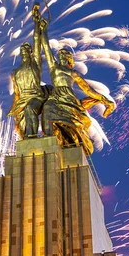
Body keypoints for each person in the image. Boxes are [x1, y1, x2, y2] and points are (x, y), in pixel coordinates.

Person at [39, 18, 115, 155]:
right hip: (56, 97)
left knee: (73, 124)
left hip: (69, 99)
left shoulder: (73, 73)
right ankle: (49, 140)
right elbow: (46, 48)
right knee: (47, 110)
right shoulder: (54, 68)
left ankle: (75, 140)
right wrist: (42, 30)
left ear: (69, 59)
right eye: (60, 55)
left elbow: (88, 90)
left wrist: (104, 99)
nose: (61, 57)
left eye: (64, 55)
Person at [7, 4, 49, 139]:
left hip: (36, 97)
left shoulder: (35, 64)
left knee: (30, 109)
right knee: (19, 128)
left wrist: (36, 23)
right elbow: (17, 93)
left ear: (31, 53)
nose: (24, 52)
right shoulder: (15, 72)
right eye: (22, 51)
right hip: (21, 101)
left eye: (27, 50)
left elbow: (37, 41)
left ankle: (32, 138)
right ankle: (27, 141)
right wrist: (13, 107)